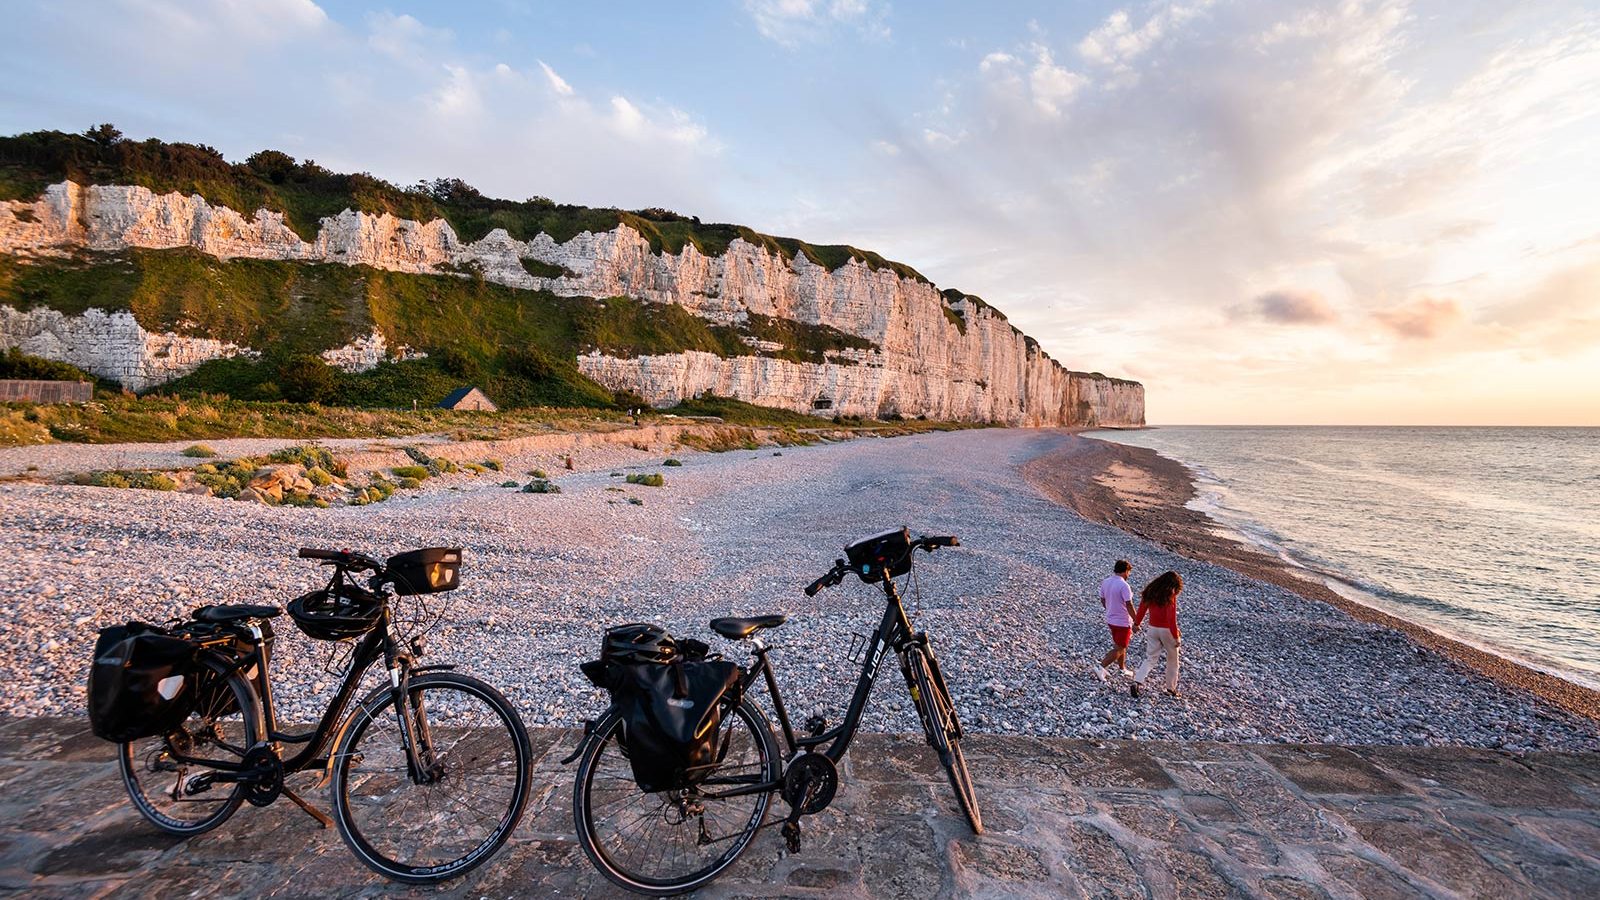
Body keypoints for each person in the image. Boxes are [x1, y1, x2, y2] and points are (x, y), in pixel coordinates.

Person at [1131, 570, 1183, 698]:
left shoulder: (1150, 591)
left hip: (1153, 629)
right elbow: (1171, 618)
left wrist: (1136, 623)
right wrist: (1176, 636)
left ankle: (1137, 681)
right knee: (1172, 660)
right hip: (1167, 631)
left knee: (1151, 658)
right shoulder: (1170, 594)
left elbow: (1142, 609)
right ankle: (1171, 689)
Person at [1093, 560, 1137, 682]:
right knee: (1120, 647)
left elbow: (1102, 599)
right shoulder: (1124, 586)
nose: (1128, 575)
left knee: (1119, 645)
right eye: (1129, 572)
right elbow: (1129, 604)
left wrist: (1110, 609)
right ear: (1125, 571)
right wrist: (1136, 621)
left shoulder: (1106, 582)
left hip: (1110, 619)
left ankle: (1122, 669)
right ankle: (1100, 667)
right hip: (1122, 621)